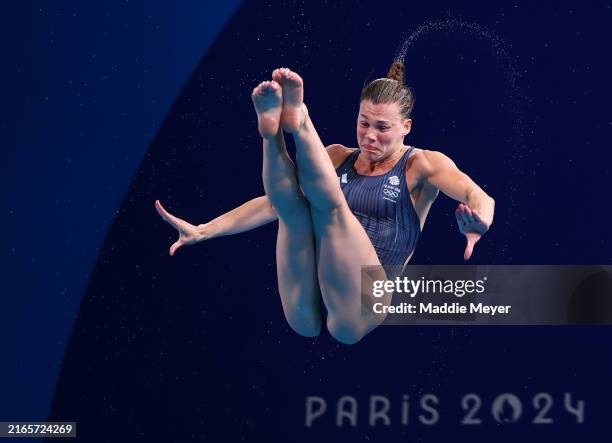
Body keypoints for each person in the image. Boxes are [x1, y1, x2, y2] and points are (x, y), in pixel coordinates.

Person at [155, 63, 495, 344]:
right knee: (291, 211)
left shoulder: (421, 164)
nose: (370, 135)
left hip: (366, 302)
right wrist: (203, 231)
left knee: (332, 209)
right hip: (310, 298)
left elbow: (477, 194)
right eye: (363, 123)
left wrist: (479, 222)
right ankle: (271, 134)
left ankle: (300, 121)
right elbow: (271, 205)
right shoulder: (334, 157)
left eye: (383, 127)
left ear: (406, 127)